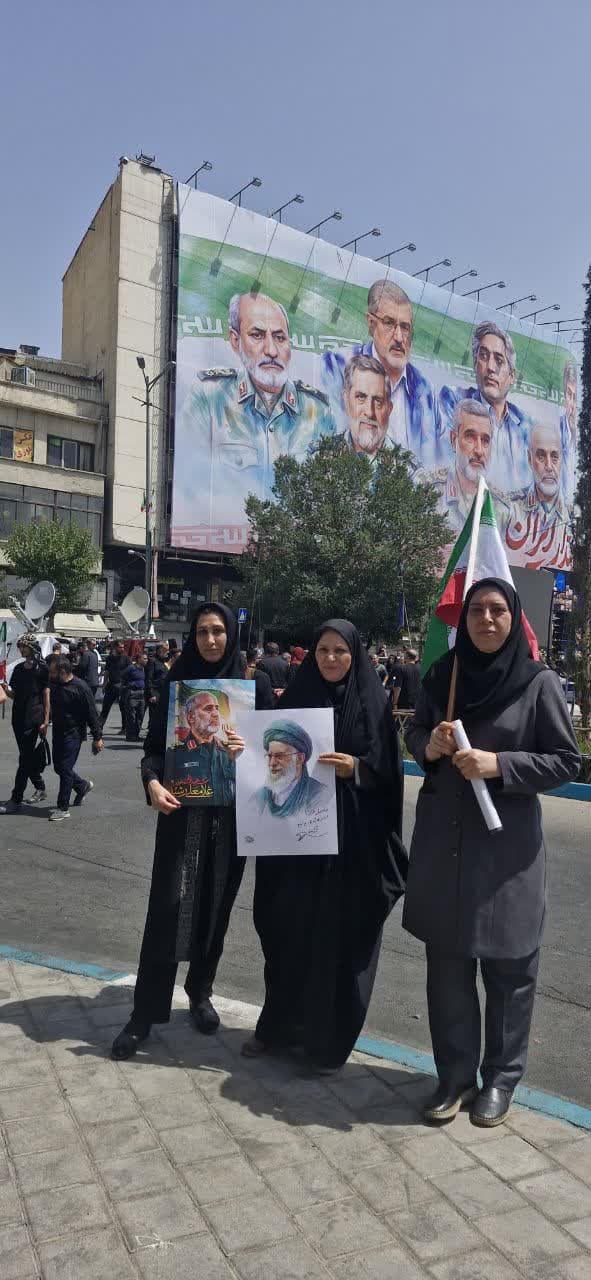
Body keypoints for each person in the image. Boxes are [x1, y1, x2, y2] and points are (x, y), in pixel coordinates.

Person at [403, 579, 580, 1126]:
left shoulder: (537, 683)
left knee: (509, 969)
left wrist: (499, 764)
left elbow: (566, 761)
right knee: (447, 970)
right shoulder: (444, 675)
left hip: (505, 854)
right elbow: (415, 731)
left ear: (513, 617)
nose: (485, 618)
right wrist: (428, 745)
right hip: (445, 846)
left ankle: (501, 1080)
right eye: (476, 609)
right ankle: (455, 1077)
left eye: (496, 610)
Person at [243, 620, 408, 1071]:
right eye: (322, 651)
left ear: (355, 654)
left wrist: (357, 768)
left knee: (337, 943)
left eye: (340, 651)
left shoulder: (372, 704)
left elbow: (388, 772)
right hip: (295, 850)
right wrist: (244, 750)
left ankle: (325, 1045)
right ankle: (278, 1028)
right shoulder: (296, 699)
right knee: (286, 933)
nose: (331, 658)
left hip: (350, 851)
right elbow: (264, 757)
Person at [111, 604, 255, 1060]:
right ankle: (144, 1013)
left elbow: (270, 759)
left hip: (230, 826)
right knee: (167, 911)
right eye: (202, 631)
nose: (210, 640)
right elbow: (154, 749)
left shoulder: (251, 688)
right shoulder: (178, 684)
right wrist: (152, 782)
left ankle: (200, 992)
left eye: (218, 631)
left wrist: (247, 751)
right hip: (181, 820)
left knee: (215, 908)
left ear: (231, 636)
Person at [174, 291, 337, 529]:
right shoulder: (209, 398)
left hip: (298, 547)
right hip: (228, 540)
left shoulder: (318, 412)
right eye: (257, 335)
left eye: (280, 338)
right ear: (235, 340)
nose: (271, 350)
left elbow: (331, 501)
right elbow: (187, 489)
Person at [322, 280, 442, 466]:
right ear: (371, 324)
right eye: (389, 323)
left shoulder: (425, 391)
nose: (399, 338)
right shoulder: (336, 367)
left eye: (405, 327)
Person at [440, 321, 529, 491]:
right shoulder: (453, 400)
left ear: (512, 376)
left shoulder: (524, 425)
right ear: (475, 364)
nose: (490, 367)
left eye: (499, 360)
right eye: (483, 356)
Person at [417, 400, 509, 536]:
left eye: (485, 440)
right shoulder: (426, 490)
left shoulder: (501, 507)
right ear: (453, 440)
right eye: (470, 437)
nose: (479, 451)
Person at [505, 422, 573, 570]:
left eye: (554, 457)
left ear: (561, 459)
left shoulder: (573, 518)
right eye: (541, 456)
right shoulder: (511, 509)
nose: (549, 466)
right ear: (530, 459)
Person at [49, 658, 104, 822]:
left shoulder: (81, 687)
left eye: (53, 672)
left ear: (62, 672)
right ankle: (82, 786)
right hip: (58, 732)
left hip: (73, 734)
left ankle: (62, 808)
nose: (50, 675)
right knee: (59, 767)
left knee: (66, 768)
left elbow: (92, 713)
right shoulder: (56, 684)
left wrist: (97, 737)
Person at [0, 635, 50, 812]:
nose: (21, 650)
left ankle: (16, 799)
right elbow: (15, 695)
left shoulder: (42, 669)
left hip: (34, 717)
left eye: (24, 646)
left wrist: (46, 720)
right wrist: (6, 689)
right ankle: (41, 787)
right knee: (25, 756)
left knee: (24, 759)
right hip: (18, 718)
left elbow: (46, 695)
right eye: (20, 646)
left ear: (32, 647)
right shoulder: (19, 668)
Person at [168, 690, 236, 804]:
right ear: (191, 717)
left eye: (217, 708)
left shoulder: (229, 751)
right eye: (208, 709)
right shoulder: (175, 754)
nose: (216, 714)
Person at [251, 720, 327, 817]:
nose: (272, 763)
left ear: (299, 758)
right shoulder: (259, 797)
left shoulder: (318, 794)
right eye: (269, 756)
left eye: (279, 756)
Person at [340, 356, 393, 461]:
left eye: (378, 401)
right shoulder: (318, 457)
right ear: (346, 402)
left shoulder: (409, 467)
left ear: (389, 409)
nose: (369, 412)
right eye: (361, 397)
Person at [100, 640, 131, 733]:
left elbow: (130, 672)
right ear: (116, 647)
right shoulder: (110, 658)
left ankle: (124, 728)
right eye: (120, 647)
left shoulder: (126, 659)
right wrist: (104, 685)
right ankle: (99, 727)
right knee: (105, 707)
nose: (122, 649)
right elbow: (107, 672)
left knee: (123, 708)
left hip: (122, 687)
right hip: (111, 686)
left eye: (123, 647)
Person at [559, 360, 577, 505]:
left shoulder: (576, 431)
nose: (572, 405)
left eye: (575, 398)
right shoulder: (558, 426)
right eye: (569, 395)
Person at [122, 652, 148, 742]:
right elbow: (123, 678)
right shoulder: (131, 668)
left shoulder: (144, 669)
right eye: (144, 658)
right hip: (132, 694)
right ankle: (130, 736)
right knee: (131, 716)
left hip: (142, 694)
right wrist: (130, 685)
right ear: (139, 659)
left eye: (146, 658)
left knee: (140, 716)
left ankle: (136, 735)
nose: (146, 660)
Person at [145, 643, 170, 735]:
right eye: (165, 650)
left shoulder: (164, 661)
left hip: (164, 692)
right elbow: (149, 678)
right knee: (154, 715)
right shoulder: (153, 661)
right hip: (156, 692)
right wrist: (152, 694)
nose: (167, 652)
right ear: (160, 650)